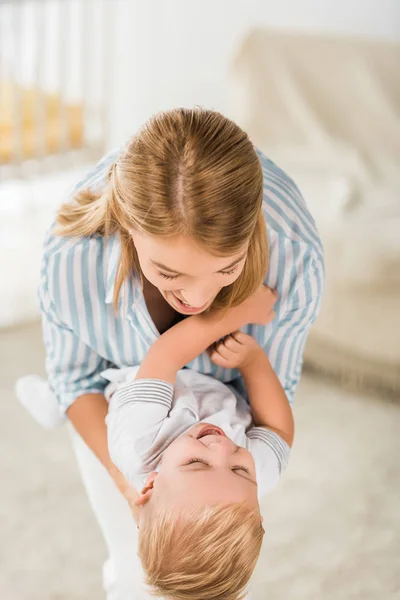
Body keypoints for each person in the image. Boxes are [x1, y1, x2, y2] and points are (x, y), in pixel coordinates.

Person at [17, 108, 324, 599]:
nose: (199, 300)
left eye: (227, 269)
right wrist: (234, 317)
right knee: (135, 569)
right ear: (127, 227)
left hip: (149, 400)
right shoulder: (71, 258)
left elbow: (268, 396)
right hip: (111, 393)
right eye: (170, 273)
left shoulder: (295, 258)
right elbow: (81, 381)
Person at [104, 284, 294, 600]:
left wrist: (237, 314)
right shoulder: (258, 479)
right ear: (257, 510)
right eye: (239, 470)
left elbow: (166, 354)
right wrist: (253, 362)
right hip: (221, 390)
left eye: (196, 463)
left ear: (151, 484)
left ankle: (55, 403)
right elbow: (279, 428)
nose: (221, 449)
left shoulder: (137, 441)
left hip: (148, 377)